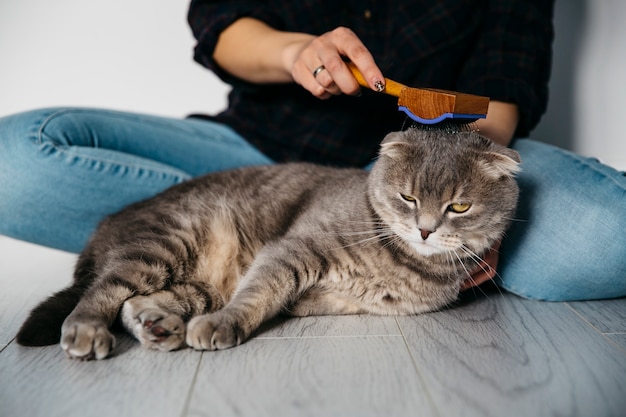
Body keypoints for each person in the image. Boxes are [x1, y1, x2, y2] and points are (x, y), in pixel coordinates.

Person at [0, 0, 624, 301]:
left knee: (608, 240)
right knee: (13, 161)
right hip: (246, 158)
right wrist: (293, 53)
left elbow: (504, 101)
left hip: (424, 189)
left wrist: (464, 214)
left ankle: (228, 267)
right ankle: (226, 249)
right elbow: (218, 26)